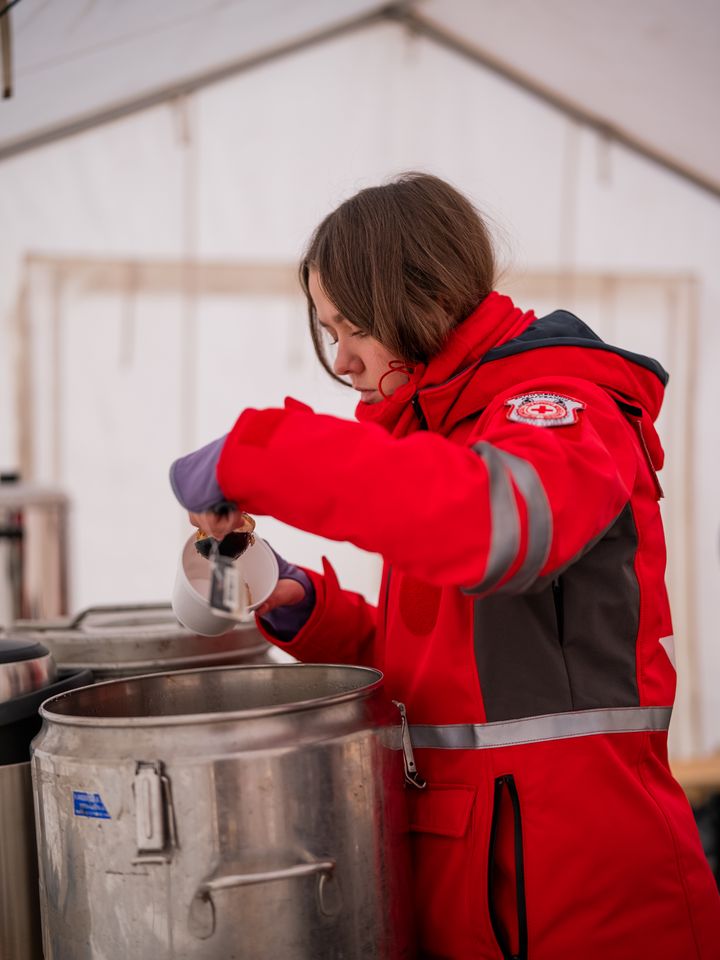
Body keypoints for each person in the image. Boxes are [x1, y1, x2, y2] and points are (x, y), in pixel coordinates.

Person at [170, 172, 720, 959]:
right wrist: (305, 605)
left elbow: (500, 531)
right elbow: (436, 679)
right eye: (328, 332)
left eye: (351, 326)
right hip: (477, 883)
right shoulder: (449, 444)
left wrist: (262, 451)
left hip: (585, 900)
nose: (344, 359)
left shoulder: (561, 405)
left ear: (417, 295)